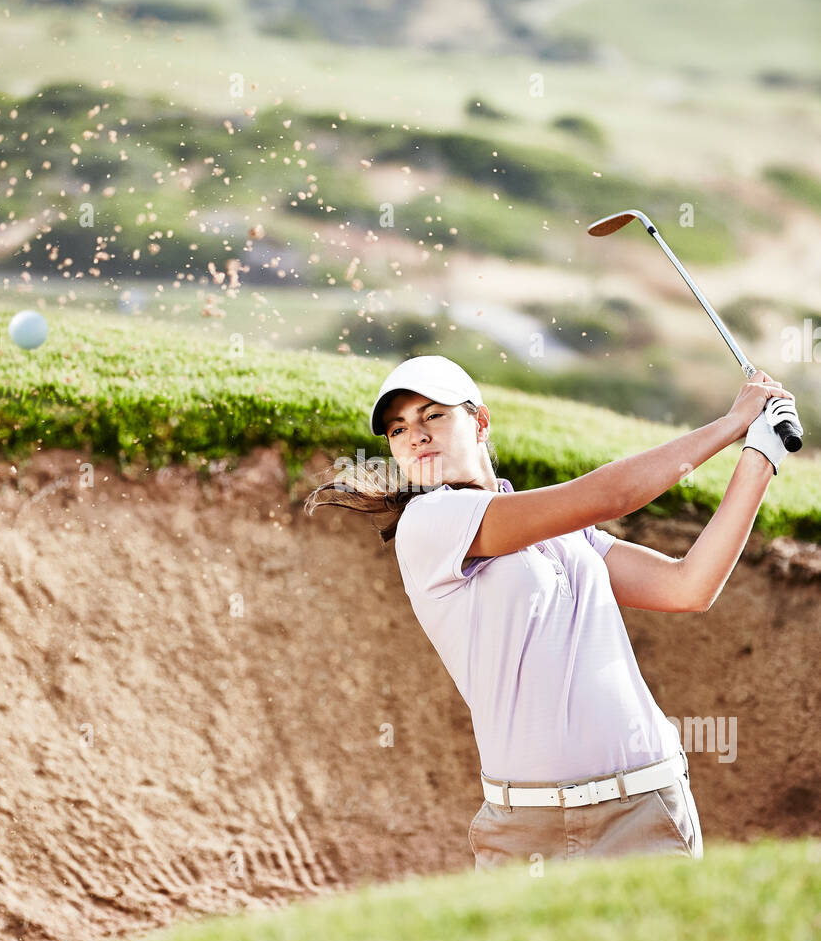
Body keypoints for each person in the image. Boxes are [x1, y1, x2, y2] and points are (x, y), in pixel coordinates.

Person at [304, 354, 803, 870]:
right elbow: (611, 495)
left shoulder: (560, 532)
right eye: (397, 428)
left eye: (434, 415)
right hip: (528, 828)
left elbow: (687, 586)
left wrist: (760, 453)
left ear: (480, 421)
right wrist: (729, 424)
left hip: (647, 807)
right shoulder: (429, 523)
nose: (415, 436)